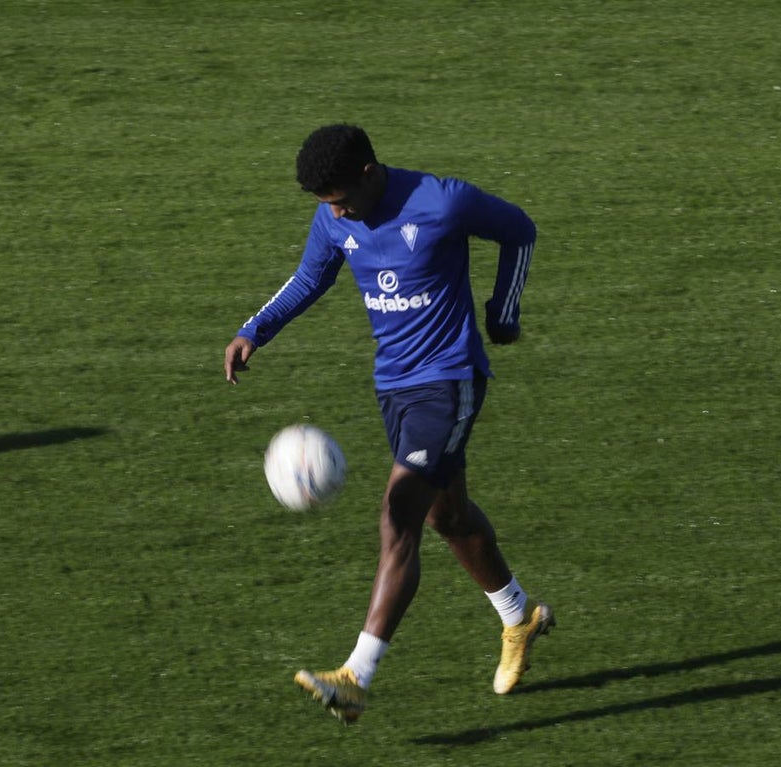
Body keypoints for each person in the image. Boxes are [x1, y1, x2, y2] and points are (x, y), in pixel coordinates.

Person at [224, 124, 553, 723]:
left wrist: (503, 310)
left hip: (448, 381)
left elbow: (519, 230)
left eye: (343, 199)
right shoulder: (334, 218)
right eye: (328, 204)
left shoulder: (440, 200)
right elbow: (308, 278)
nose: (338, 212)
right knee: (446, 515)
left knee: (398, 512)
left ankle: (356, 675)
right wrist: (255, 330)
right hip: (394, 386)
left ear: (371, 173)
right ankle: (519, 615)